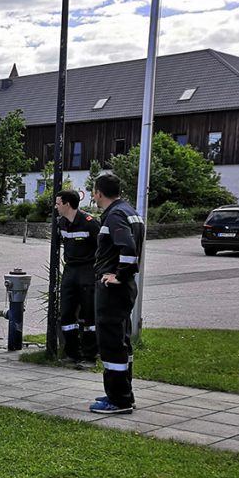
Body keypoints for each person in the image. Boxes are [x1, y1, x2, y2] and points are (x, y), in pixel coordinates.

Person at [90, 174, 144, 415]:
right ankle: (122, 393)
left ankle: (119, 400)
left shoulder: (115, 215)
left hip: (113, 289)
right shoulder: (129, 211)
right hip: (123, 289)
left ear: (98, 193)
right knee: (121, 341)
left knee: (111, 343)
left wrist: (119, 275)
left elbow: (128, 248)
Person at [55, 189, 100, 366]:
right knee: (66, 313)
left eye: (58, 203)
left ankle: (90, 355)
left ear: (67, 204)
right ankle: (73, 352)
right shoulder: (61, 223)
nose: (56, 207)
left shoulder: (90, 224)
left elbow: (102, 247)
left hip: (88, 271)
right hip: (70, 271)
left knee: (90, 315)